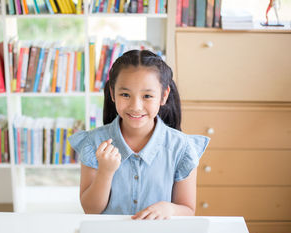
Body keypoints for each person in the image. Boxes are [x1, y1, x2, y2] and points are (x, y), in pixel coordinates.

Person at [69, 50, 210, 220]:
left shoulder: (182, 147)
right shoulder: (94, 143)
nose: (136, 106)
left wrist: (169, 209)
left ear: (163, 96)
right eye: (125, 95)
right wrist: (105, 172)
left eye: (147, 96)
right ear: (113, 94)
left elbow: (187, 209)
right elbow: (91, 210)